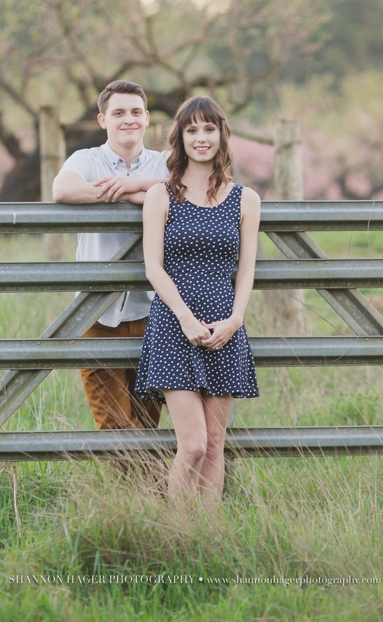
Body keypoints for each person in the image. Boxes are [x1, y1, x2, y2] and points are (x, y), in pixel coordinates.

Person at [135, 96, 261, 509]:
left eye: (209, 129)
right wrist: (185, 317)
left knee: (214, 443)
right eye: (192, 130)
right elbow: (153, 267)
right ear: (181, 137)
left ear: (222, 135)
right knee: (192, 445)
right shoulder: (160, 195)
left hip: (224, 327)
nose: (201, 138)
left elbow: (246, 270)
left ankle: (211, 535)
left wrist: (235, 320)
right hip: (175, 326)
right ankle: (177, 530)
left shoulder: (245, 199)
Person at [52, 80, 168, 484]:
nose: (128, 119)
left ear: (147, 118)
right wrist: (126, 195)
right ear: (103, 120)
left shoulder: (165, 163)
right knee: (114, 423)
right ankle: (162, 497)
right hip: (98, 313)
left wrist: (138, 187)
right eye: (118, 112)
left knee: (147, 421)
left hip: (156, 311)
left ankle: (147, 503)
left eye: (135, 111)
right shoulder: (86, 159)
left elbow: (192, 193)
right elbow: (62, 190)